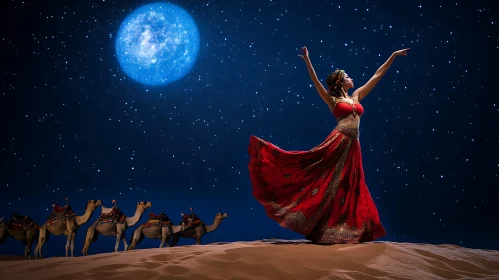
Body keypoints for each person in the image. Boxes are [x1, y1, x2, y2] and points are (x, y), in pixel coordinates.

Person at [248, 46, 409, 244]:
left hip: (353, 146)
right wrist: (308, 61)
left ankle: (338, 229)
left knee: (348, 185)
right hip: (338, 141)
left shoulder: (356, 96)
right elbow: (315, 81)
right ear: (340, 81)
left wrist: (392, 55)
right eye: (347, 76)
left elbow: (377, 76)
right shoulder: (332, 99)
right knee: (319, 174)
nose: (352, 78)